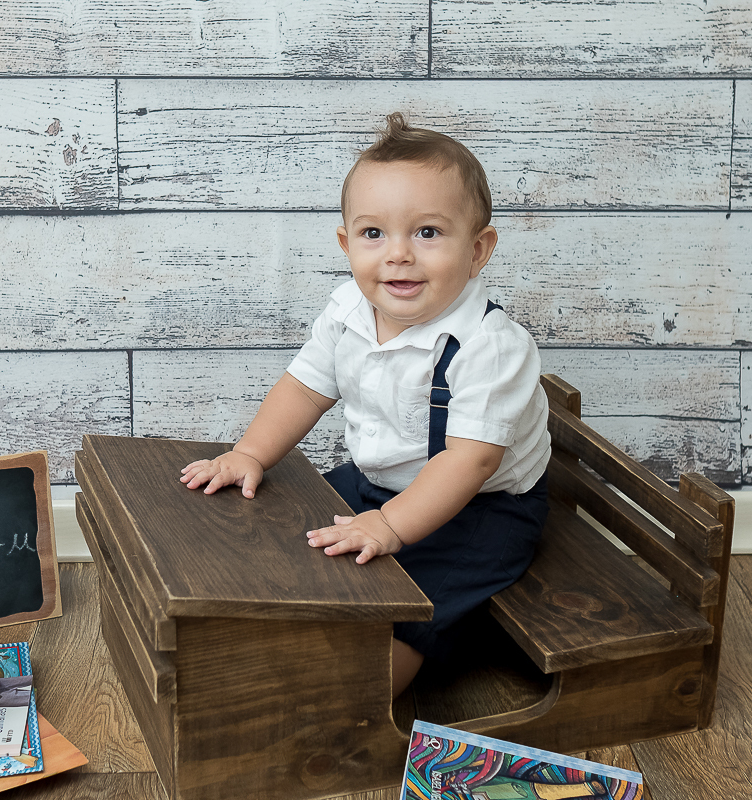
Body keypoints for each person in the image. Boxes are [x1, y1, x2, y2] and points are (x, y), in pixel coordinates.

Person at [180, 112, 551, 697]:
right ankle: (269, 633)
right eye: (374, 234)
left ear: (479, 250)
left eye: (428, 233)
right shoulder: (348, 315)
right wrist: (249, 452)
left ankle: (354, 700)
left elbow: (468, 462)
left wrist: (391, 526)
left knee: (418, 597)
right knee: (288, 528)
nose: (398, 254)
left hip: (480, 508)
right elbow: (305, 387)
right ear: (346, 242)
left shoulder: (489, 346)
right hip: (379, 480)